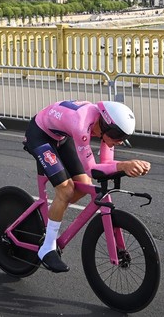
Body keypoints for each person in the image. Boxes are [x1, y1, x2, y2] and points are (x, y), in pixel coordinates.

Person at [22, 100, 151, 273]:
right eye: (117, 136)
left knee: (83, 185)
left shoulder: (105, 126)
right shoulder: (82, 125)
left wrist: (128, 166)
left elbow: (107, 164)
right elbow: (92, 169)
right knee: (66, 190)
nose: (120, 141)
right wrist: (123, 166)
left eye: (124, 138)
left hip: (61, 136)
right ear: (106, 126)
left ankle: (52, 214)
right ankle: (47, 248)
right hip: (40, 135)